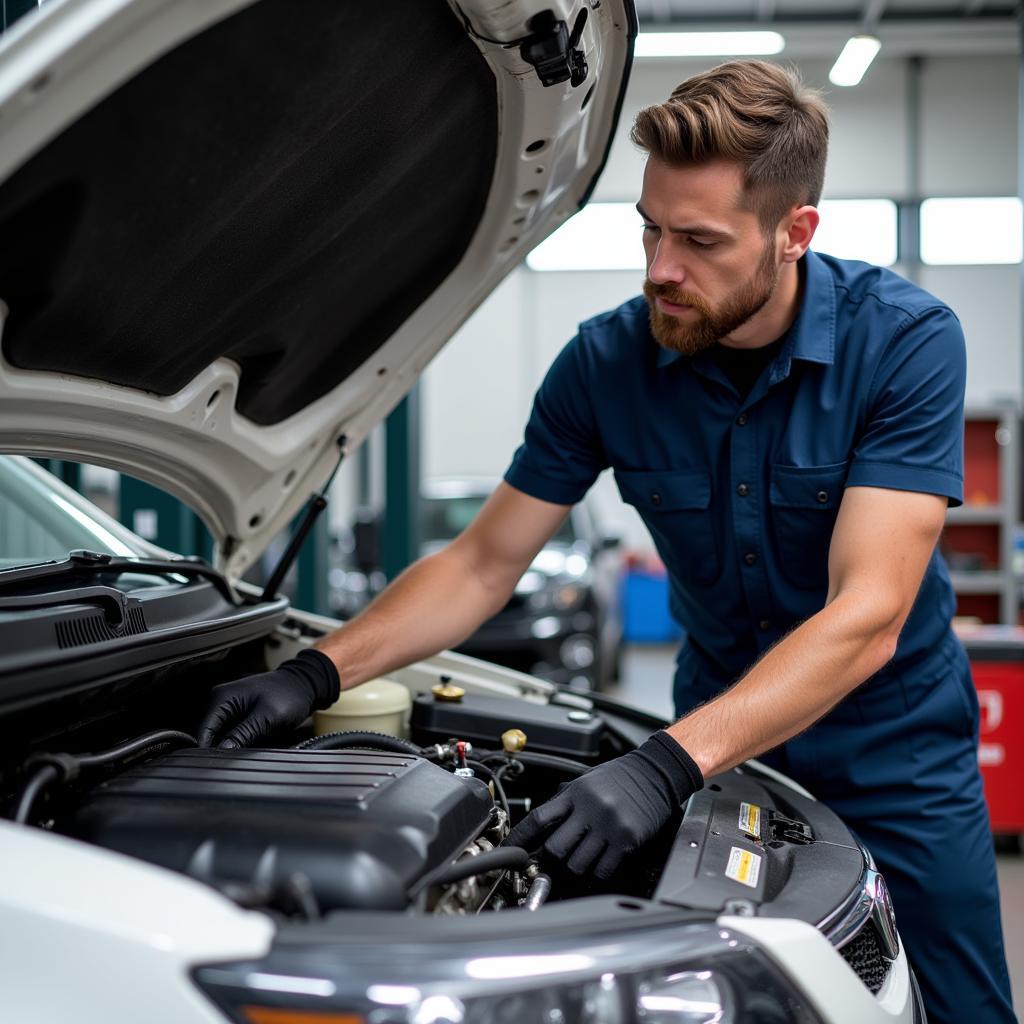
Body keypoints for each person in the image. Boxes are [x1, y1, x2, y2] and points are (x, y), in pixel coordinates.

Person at [198, 61, 1016, 1024]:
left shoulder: (905, 345)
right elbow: (480, 563)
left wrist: (663, 764)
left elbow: (868, 615)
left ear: (795, 234)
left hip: (897, 761)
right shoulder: (605, 362)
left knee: (960, 1008)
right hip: (722, 754)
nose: (661, 267)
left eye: (700, 241)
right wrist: (313, 674)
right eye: (650, 227)